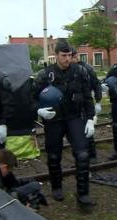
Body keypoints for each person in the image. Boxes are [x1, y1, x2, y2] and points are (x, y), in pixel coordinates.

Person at [32, 40, 96, 208]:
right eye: (64, 55)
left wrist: (90, 118)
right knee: (54, 155)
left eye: (69, 55)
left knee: (82, 155)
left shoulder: (80, 71)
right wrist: (38, 111)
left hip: (75, 117)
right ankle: (56, 186)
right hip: (54, 119)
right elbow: (31, 98)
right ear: (56, 55)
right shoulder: (45, 75)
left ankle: (83, 193)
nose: (67, 58)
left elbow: (87, 96)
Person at [72, 48, 102, 164]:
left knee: (87, 130)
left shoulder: (87, 69)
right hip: (74, 105)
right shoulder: (69, 70)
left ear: (75, 57)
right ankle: (80, 157)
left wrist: (98, 101)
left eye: (72, 57)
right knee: (75, 132)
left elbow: (96, 84)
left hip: (85, 103)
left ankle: (92, 155)